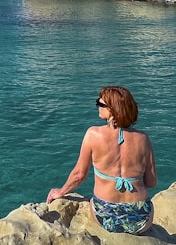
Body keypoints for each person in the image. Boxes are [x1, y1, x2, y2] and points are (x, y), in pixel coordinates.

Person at [46, 85, 157, 234]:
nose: (97, 106)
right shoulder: (144, 139)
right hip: (140, 218)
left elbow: (79, 175)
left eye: (100, 103)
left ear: (112, 109)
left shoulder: (93, 134)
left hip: (105, 214)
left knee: (93, 202)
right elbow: (152, 182)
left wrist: (61, 192)